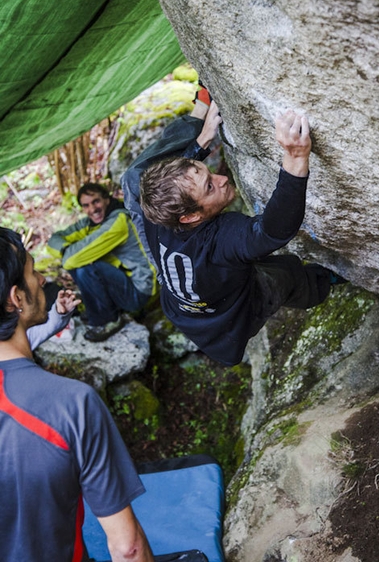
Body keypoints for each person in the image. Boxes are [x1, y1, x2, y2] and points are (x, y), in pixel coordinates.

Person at [121, 90, 346, 367]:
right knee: (284, 277)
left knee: (132, 179)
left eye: (204, 170)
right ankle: (326, 281)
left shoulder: (156, 212)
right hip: (226, 315)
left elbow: (140, 177)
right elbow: (271, 231)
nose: (222, 179)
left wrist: (202, 140)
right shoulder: (219, 240)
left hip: (177, 299)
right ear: (190, 217)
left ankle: (198, 124)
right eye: (209, 187)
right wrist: (295, 158)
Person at [0, 227, 154, 562]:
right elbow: (128, 548)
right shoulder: (71, 403)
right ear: (16, 298)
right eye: (33, 272)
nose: (42, 280)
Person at [48, 182, 156, 342]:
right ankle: (98, 311)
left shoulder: (119, 220)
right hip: (121, 285)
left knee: (86, 267)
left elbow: (71, 260)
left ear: (106, 199)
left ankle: (109, 320)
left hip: (139, 292)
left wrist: (70, 254)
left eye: (96, 201)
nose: (92, 209)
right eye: (86, 205)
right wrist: (66, 249)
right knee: (80, 264)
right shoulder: (88, 223)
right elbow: (53, 241)